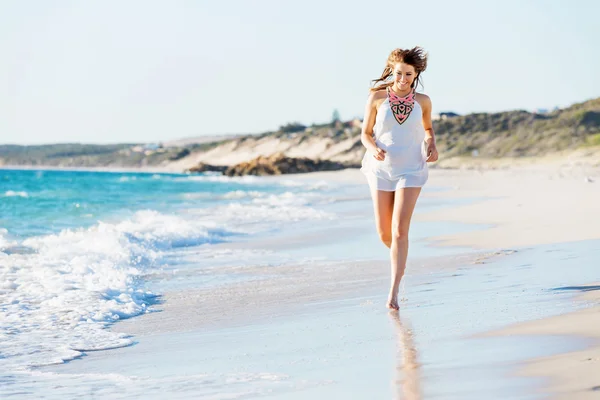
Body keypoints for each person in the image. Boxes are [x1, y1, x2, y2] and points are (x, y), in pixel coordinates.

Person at [360, 47, 439, 310]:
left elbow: (428, 128)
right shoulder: (376, 98)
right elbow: (365, 134)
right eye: (399, 73)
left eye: (408, 74)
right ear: (391, 72)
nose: (403, 79)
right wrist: (373, 149)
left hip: (411, 169)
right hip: (381, 169)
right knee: (385, 233)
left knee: (399, 230)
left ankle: (393, 294)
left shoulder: (423, 101)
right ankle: (399, 257)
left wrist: (432, 144)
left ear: (416, 75)